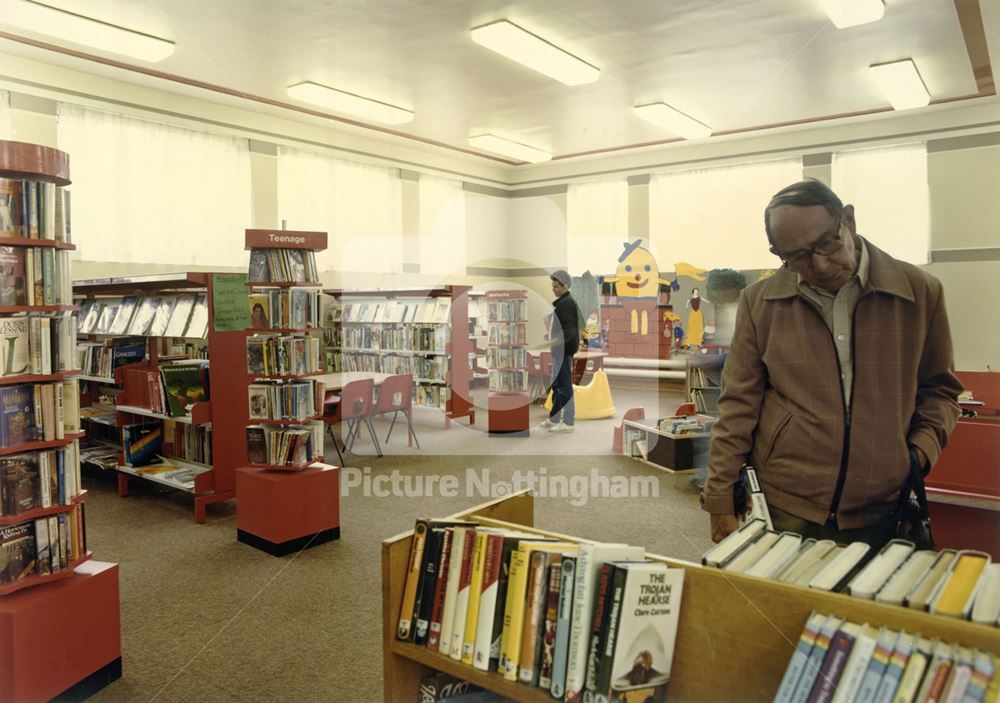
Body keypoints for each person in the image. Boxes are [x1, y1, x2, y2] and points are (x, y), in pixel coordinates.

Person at [701, 179, 961, 549]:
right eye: (798, 257)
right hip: (785, 504)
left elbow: (941, 390)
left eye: (826, 243)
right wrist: (720, 498)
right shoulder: (759, 304)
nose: (820, 264)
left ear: (849, 221)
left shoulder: (920, 292)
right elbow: (738, 404)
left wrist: (918, 453)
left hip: (881, 507)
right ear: (778, 253)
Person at [541, 269, 580, 433]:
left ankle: (569, 422)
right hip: (559, 351)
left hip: (563, 352)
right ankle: (554, 418)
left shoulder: (566, 304)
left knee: (564, 387)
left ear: (565, 286)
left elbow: (569, 332)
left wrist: (555, 339)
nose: (553, 290)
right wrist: (550, 335)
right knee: (557, 386)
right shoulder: (562, 303)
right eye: (553, 286)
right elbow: (563, 328)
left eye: (556, 287)